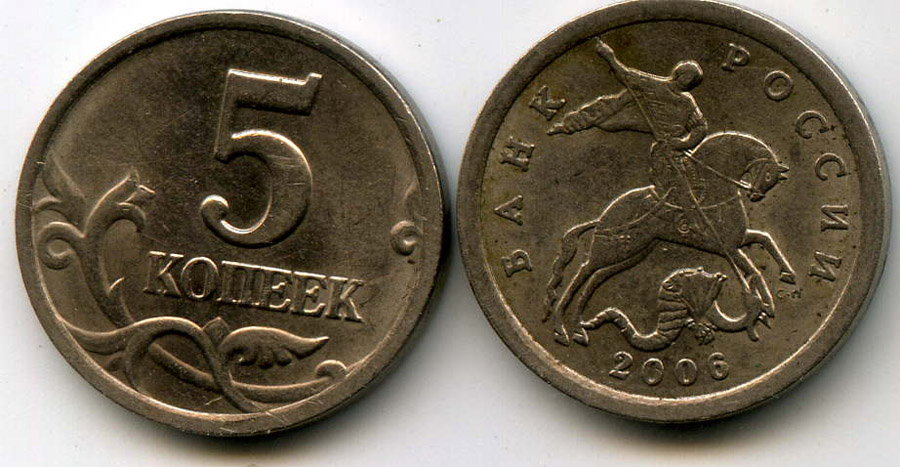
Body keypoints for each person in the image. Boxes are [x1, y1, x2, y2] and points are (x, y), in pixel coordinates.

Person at [549, 38, 708, 204]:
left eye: (693, 79)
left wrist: (683, 143)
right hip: (663, 152)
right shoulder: (653, 85)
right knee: (670, 187)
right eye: (688, 76)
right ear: (678, 74)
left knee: (698, 184)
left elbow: (700, 126)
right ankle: (660, 209)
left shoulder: (687, 102)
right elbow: (627, 75)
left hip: (678, 151)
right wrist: (609, 57)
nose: (689, 81)